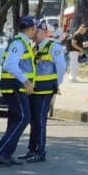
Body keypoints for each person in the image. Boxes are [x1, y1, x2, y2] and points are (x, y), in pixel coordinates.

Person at [0, 16, 37, 166]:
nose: (35, 31)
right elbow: (10, 65)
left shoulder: (22, 43)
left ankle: (5, 153)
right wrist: (26, 81)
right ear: (30, 29)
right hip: (15, 86)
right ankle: (1, 150)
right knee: (23, 118)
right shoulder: (19, 43)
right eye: (35, 28)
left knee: (16, 119)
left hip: (15, 86)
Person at [24, 19, 66, 162]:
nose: (34, 34)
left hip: (45, 90)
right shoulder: (33, 47)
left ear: (43, 32)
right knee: (33, 120)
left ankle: (40, 152)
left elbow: (61, 67)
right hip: (33, 90)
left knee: (40, 121)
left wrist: (56, 84)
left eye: (36, 31)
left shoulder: (53, 46)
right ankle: (32, 149)